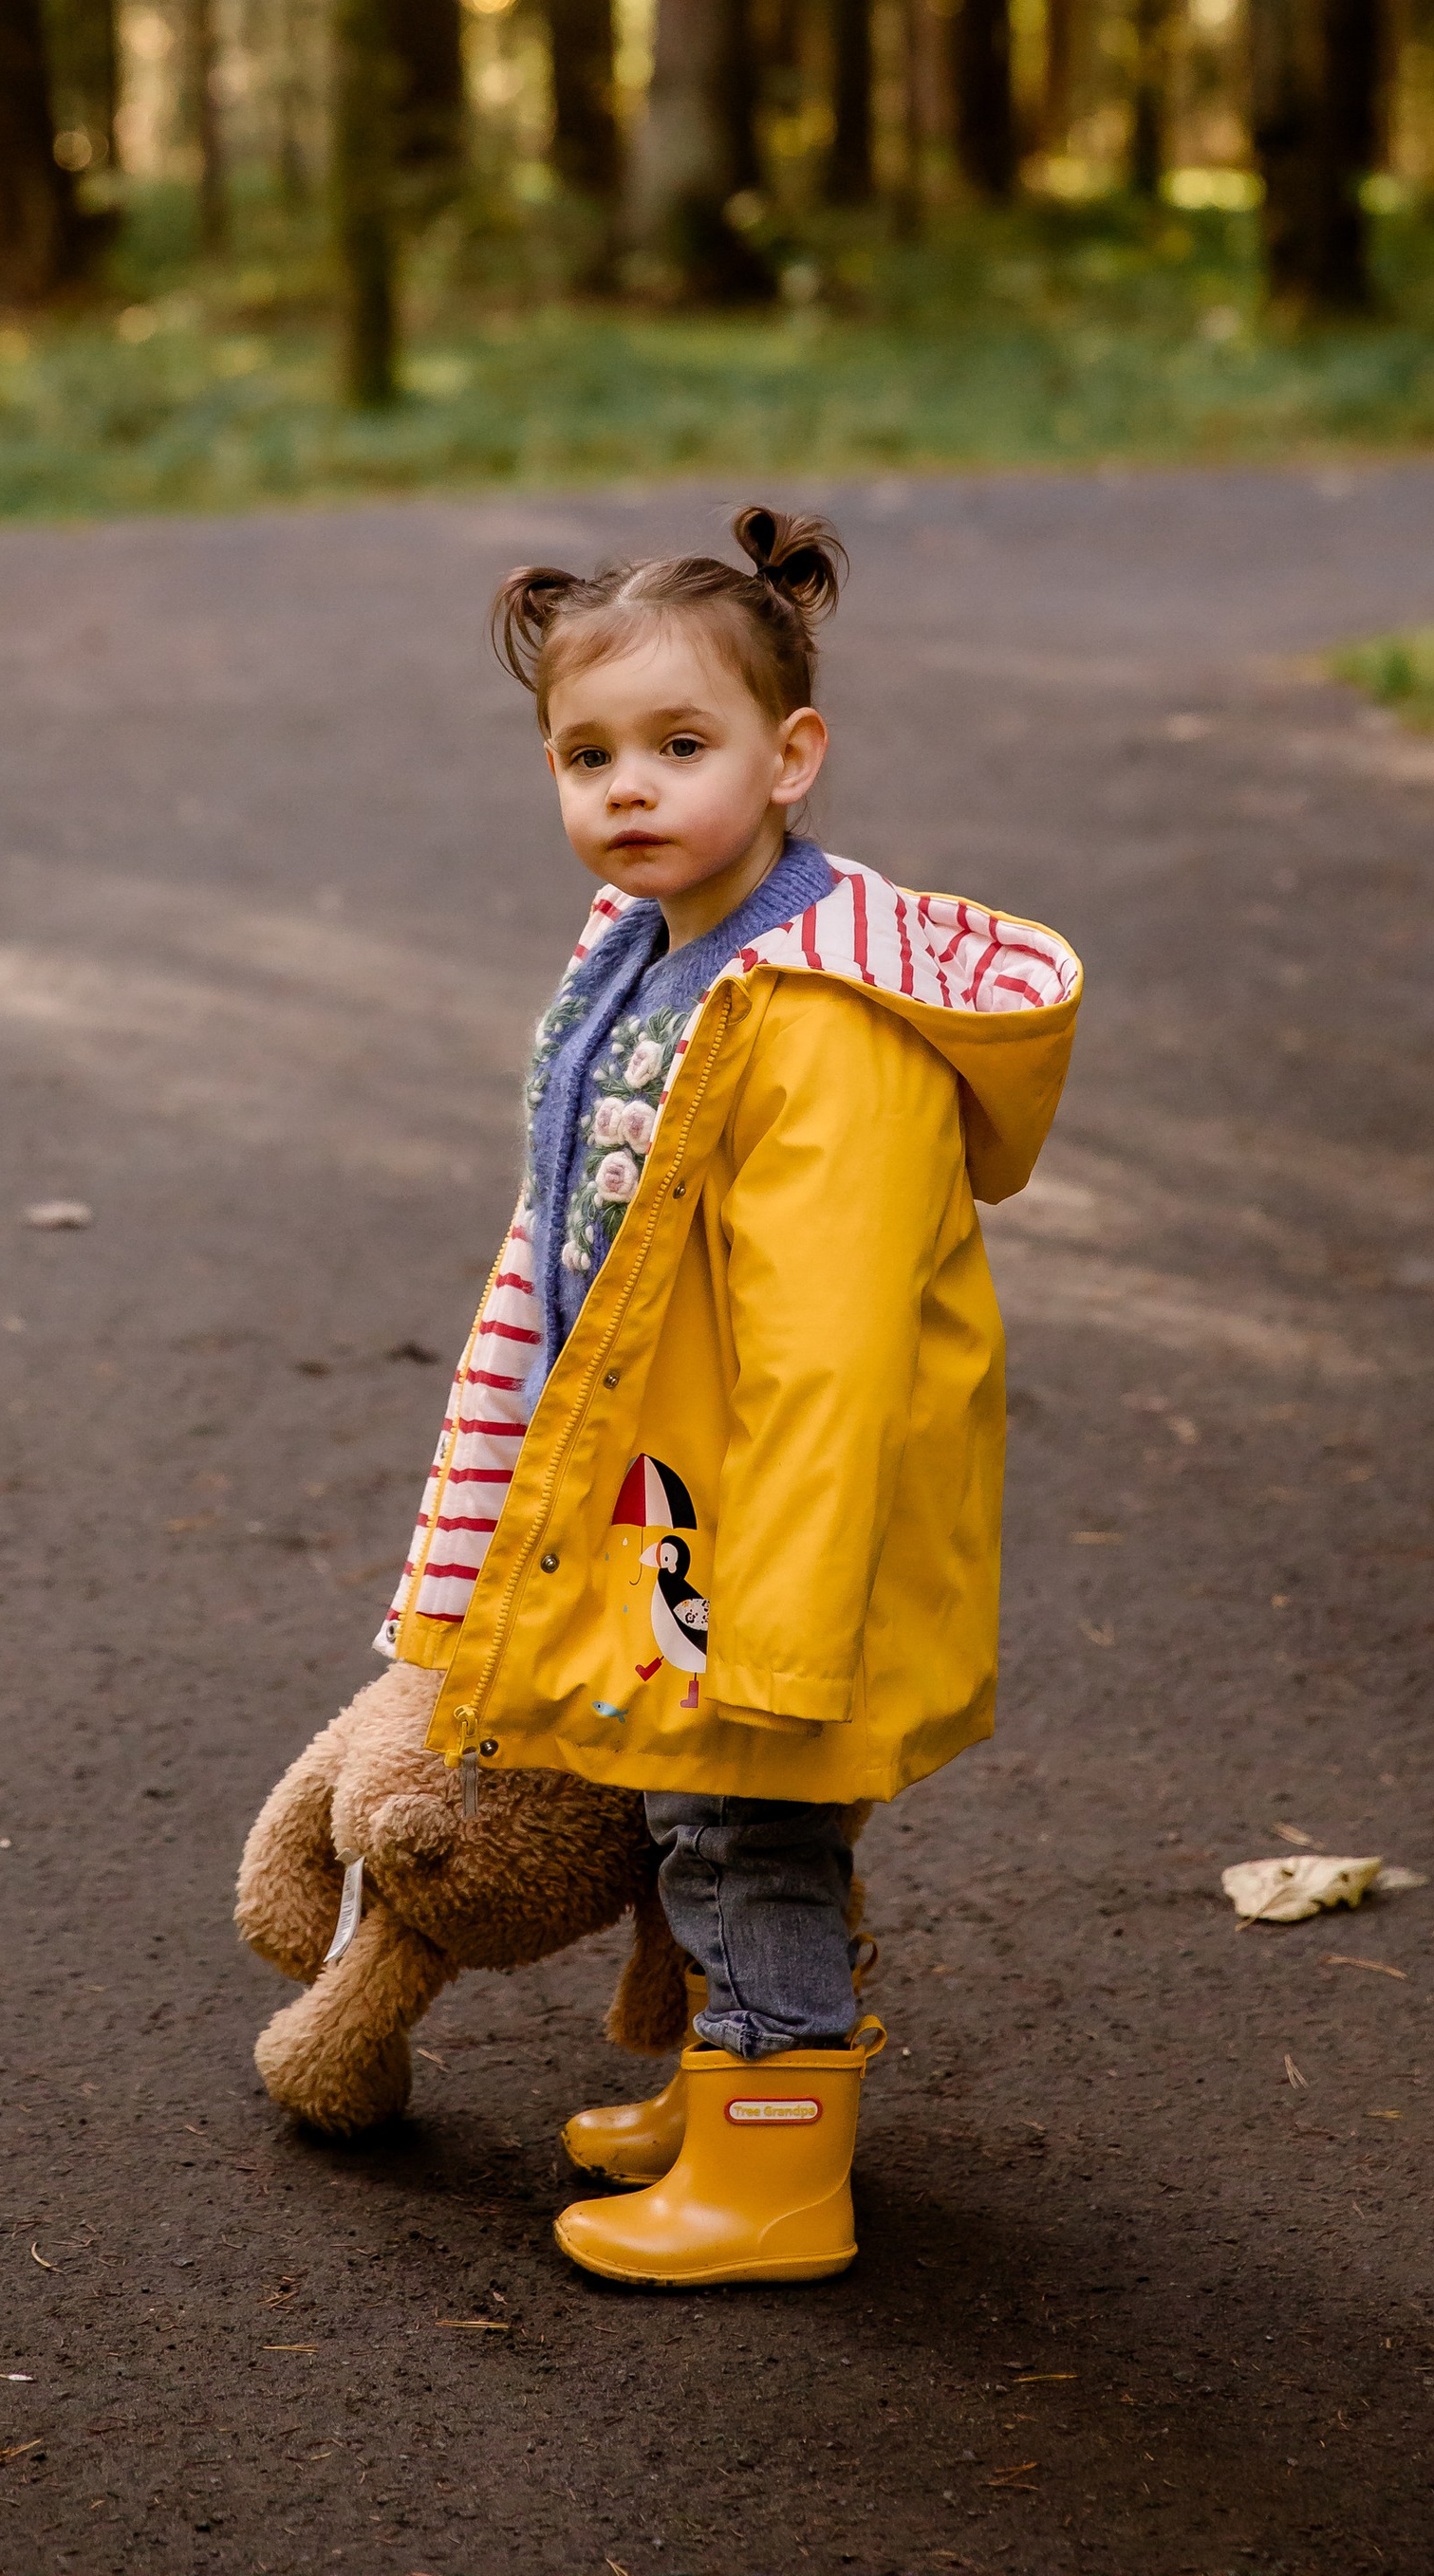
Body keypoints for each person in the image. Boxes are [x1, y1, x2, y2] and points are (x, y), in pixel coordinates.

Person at [376, 502, 1082, 2287]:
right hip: (681, 1484)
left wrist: (776, 1615)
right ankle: (735, 2083)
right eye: (586, 754)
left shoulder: (817, 1016)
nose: (628, 789)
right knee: (692, 1812)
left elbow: (830, 1347)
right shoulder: (651, 949)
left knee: (748, 1822)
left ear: (792, 756)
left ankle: (779, 2171)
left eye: (680, 748)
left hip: (781, 1517)